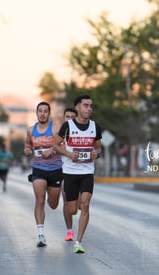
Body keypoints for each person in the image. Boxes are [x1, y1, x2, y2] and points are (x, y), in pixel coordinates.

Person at [54, 95, 102, 253]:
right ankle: (72, 218)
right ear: (78, 108)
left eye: (91, 106)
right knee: (73, 209)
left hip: (87, 171)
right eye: (86, 105)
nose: (89, 108)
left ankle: (78, 242)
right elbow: (56, 145)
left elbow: (98, 148)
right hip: (70, 172)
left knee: (86, 204)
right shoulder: (67, 126)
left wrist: (96, 153)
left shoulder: (95, 126)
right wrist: (68, 154)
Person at [23, 102, 62, 247]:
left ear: (49, 114)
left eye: (45, 111)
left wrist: (52, 150)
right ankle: (41, 235)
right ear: (36, 113)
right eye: (40, 111)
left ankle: (53, 199)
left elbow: (63, 145)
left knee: (52, 204)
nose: (42, 114)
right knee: (39, 201)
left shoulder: (55, 128)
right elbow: (28, 144)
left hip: (55, 169)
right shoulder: (30, 130)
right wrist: (27, 149)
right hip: (38, 169)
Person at [61, 108, 78, 242]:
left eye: (73, 117)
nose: (70, 119)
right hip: (64, 172)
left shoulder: (81, 134)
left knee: (77, 205)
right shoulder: (60, 136)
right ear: (63, 118)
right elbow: (52, 147)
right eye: (67, 116)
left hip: (81, 172)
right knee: (66, 200)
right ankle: (69, 231)